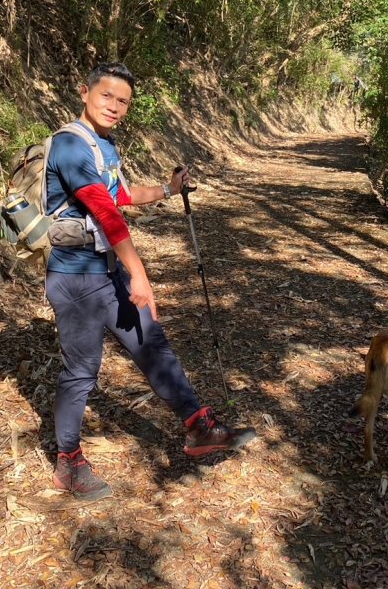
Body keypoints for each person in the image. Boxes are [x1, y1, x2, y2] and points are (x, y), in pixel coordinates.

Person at [45, 61, 256, 500]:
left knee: (152, 344)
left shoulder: (105, 145)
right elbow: (104, 212)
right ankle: (68, 461)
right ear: (84, 92)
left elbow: (121, 195)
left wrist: (167, 189)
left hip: (108, 273)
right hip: (75, 278)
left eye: (123, 102)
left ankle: (198, 426)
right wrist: (140, 274)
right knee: (82, 371)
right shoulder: (69, 145)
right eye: (107, 96)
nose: (115, 107)